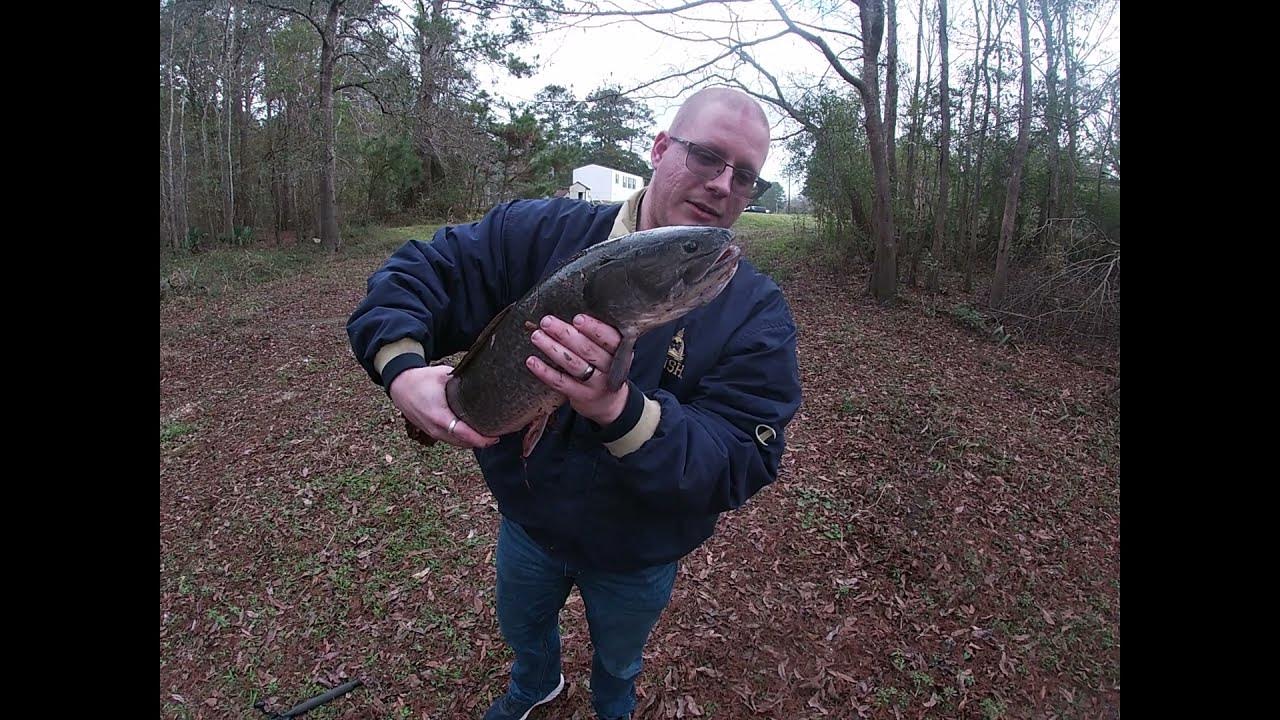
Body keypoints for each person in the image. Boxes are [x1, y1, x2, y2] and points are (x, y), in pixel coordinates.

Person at [347, 87, 802, 720]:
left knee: (619, 655)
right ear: (662, 148)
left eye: (745, 175)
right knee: (523, 628)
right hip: (529, 522)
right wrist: (400, 367)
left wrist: (618, 409)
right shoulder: (539, 234)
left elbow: (740, 457)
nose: (724, 185)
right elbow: (423, 271)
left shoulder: (754, 311)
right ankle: (536, 682)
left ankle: (613, 698)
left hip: (640, 549)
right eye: (706, 157)